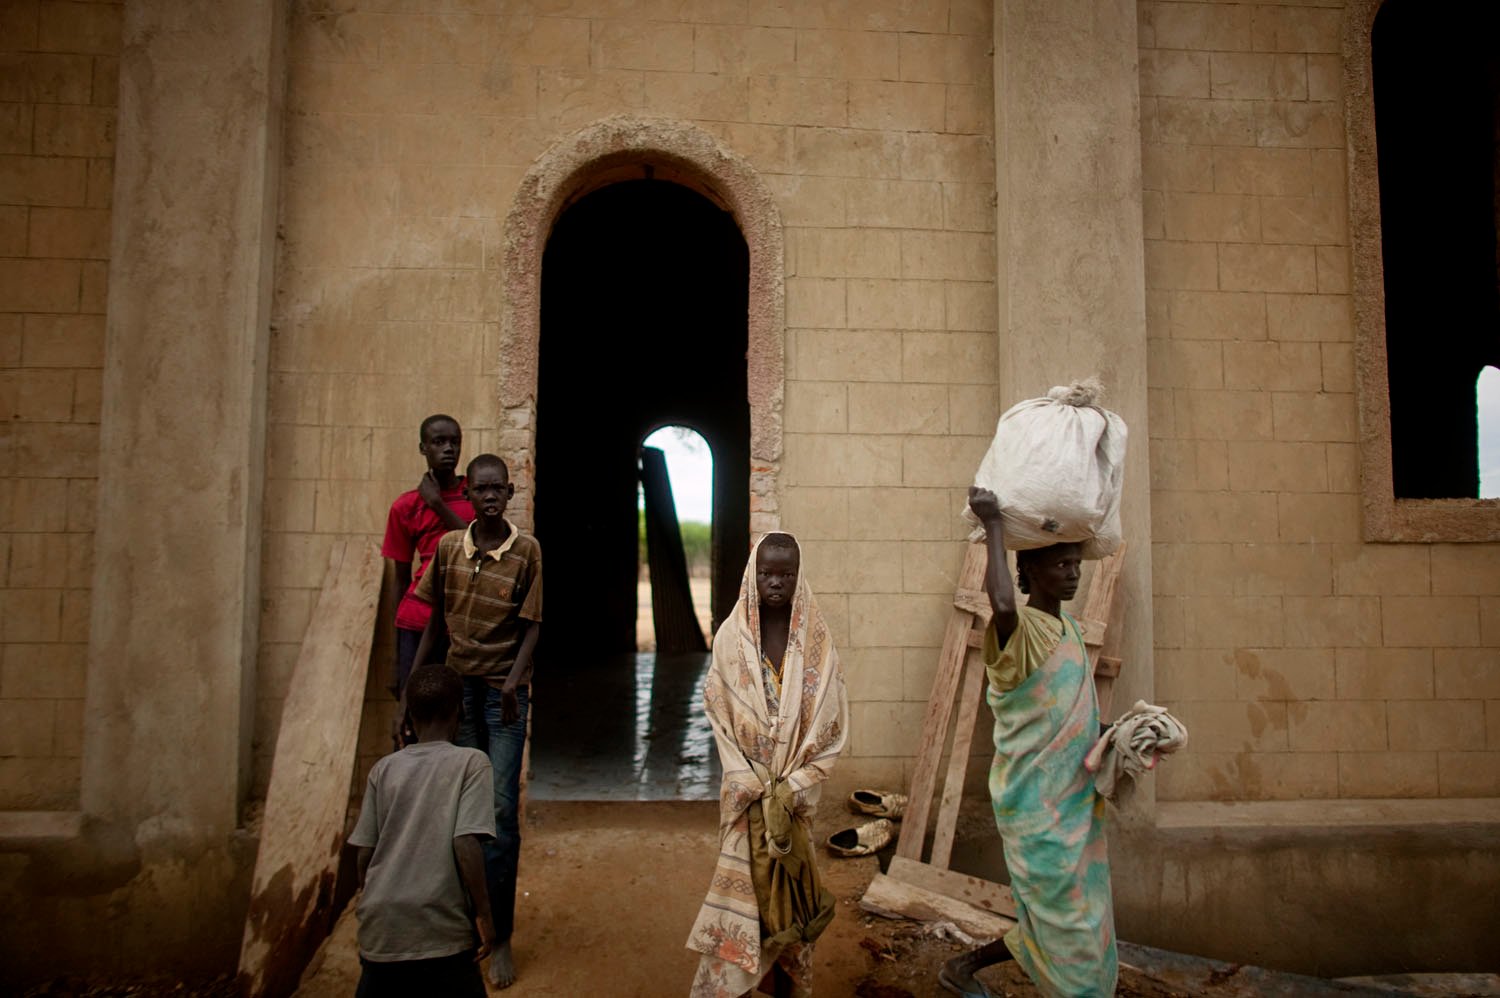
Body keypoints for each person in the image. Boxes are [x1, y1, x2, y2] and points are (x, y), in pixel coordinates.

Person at [939, 487, 1117, 998]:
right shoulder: (1017, 633)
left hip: (1076, 801)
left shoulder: (1071, 634)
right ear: (1030, 573)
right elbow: (1000, 601)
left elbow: (1072, 720)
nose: (1072, 573)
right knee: (1064, 914)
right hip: (1034, 805)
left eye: (1074, 565)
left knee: (1068, 912)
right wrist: (994, 525)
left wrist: (1118, 738)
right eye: (1060, 564)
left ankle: (962, 967)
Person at [687, 532, 849, 998]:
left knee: (791, 903)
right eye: (767, 573)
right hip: (746, 796)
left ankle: (783, 986)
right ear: (752, 575)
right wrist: (750, 779)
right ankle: (734, 984)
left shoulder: (817, 642)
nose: (775, 582)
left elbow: (832, 720)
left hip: (795, 803)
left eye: (786, 574)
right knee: (745, 895)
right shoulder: (730, 639)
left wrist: (794, 784)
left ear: (799, 578)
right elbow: (719, 712)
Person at [412, 453, 540, 991]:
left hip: (504, 697)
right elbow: (434, 625)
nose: (489, 497)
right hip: (458, 696)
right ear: (469, 491)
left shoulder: (526, 551)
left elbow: (534, 625)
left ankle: (502, 935)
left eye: (498, 490)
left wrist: (512, 682)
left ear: (510, 493)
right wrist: (412, 693)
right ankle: (467, 928)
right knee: (458, 810)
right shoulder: (447, 549)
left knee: (502, 811)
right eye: (480, 489)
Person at [348, 664, 495, 998]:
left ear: (410, 716)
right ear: (461, 709)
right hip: (439, 929)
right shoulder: (472, 763)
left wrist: (370, 898)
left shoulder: (384, 768)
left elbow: (364, 853)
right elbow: (466, 842)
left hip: (380, 930)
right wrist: (484, 914)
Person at [380, 414, 473, 699]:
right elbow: (400, 580)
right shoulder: (405, 506)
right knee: (415, 714)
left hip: (463, 625)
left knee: (459, 713)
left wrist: (436, 503)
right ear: (423, 448)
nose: (448, 449)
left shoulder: (477, 493)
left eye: (454, 442)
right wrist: (397, 659)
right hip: (418, 622)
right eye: (438, 442)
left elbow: (478, 545)